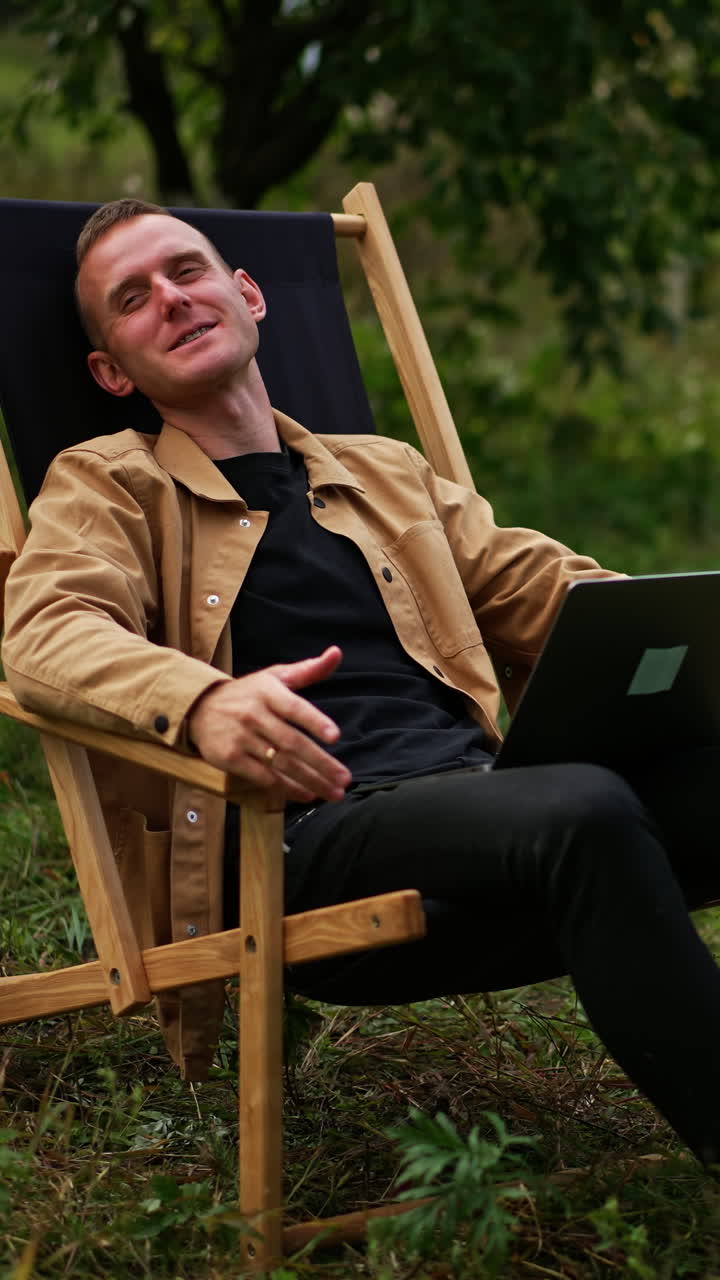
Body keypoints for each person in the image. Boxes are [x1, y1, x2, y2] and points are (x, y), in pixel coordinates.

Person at [4, 197, 720, 1166]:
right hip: (303, 839)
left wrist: (679, 620)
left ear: (247, 293)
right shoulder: (108, 483)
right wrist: (207, 700)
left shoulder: (384, 472)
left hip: (484, 816)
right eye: (133, 300)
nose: (171, 299)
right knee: (585, 806)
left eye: (187, 271)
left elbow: (546, 586)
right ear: (111, 369)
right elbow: (43, 629)